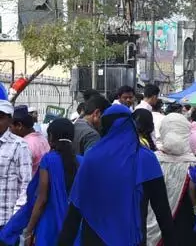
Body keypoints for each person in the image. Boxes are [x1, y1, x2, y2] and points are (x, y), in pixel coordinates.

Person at [58, 104, 177, 246]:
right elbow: (162, 210)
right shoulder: (146, 159)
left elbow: (74, 212)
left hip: (94, 239)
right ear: (131, 125)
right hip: (132, 240)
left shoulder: (92, 159)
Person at [0, 118, 77, 246]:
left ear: (51, 137)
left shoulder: (48, 160)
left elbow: (41, 199)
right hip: (72, 224)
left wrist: (29, 230)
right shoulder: (81, 162)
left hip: (49, 226)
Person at [145, 113, 196, 246]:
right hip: (183, 219)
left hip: (154, 216)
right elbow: (193, 192)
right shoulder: (193, 162)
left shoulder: (152, 159)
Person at [0, 101, 31, 232]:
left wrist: (16, 217)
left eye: (0, 117)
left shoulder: (19, 145)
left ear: (9, 120)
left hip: (6, 221)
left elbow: (26, 184)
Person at [11, 106, 48, 175]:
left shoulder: (24, 145)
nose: (9, 131)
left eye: (10, 127)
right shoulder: (42, 138)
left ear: (19, 126)